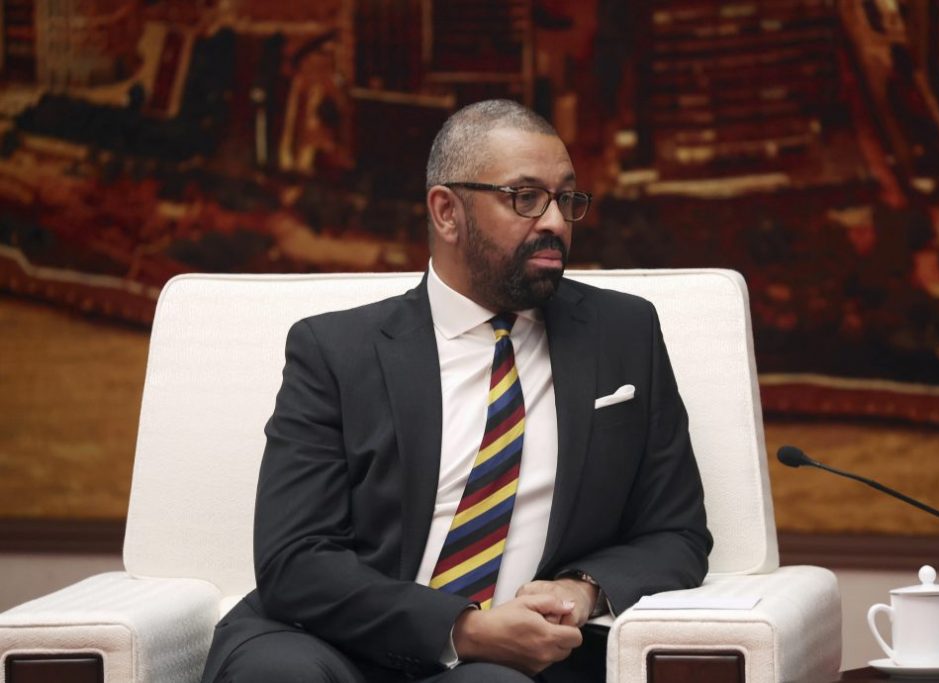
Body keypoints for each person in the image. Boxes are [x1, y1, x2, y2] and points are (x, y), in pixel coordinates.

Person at [200, 99, 712, 683]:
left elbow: (676, 532)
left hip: (510, 663)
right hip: (328, 641)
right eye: (525, 197)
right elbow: (295, 559)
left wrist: (583, 589)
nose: (554, 221)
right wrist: (460, 628)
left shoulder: (624, 335)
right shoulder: (335, 351)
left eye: (566, 198)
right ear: (447, 212)